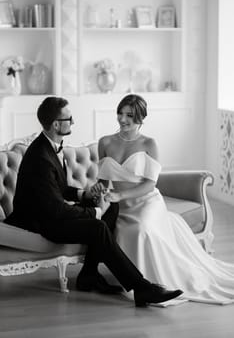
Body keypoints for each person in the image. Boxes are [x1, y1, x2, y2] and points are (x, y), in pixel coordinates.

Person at [4, 96, 183, 307]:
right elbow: (56, 210)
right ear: (55, 124)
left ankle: (89, 275)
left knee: (112, 207)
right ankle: (141, 287)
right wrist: (95, 212)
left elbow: (58, 190)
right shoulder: (40, 157)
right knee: (98, 226)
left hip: (51, 211)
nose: (73, 122)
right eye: (68, 118)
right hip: (40, 222)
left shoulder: (50, 145)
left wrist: (84, 195)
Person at [94, 93, 234, 305]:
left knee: (142, 229)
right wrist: (99, 191)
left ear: (141, 118)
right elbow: (103, 182)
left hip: (147, 202)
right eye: (120, 113)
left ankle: (152, 285)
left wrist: (121, 194)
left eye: (129, 115)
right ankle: (139, 283)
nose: (123, 119)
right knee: (123, 230)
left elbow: (150, 184)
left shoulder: (149, 144)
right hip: (119, 206)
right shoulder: (105, 142)